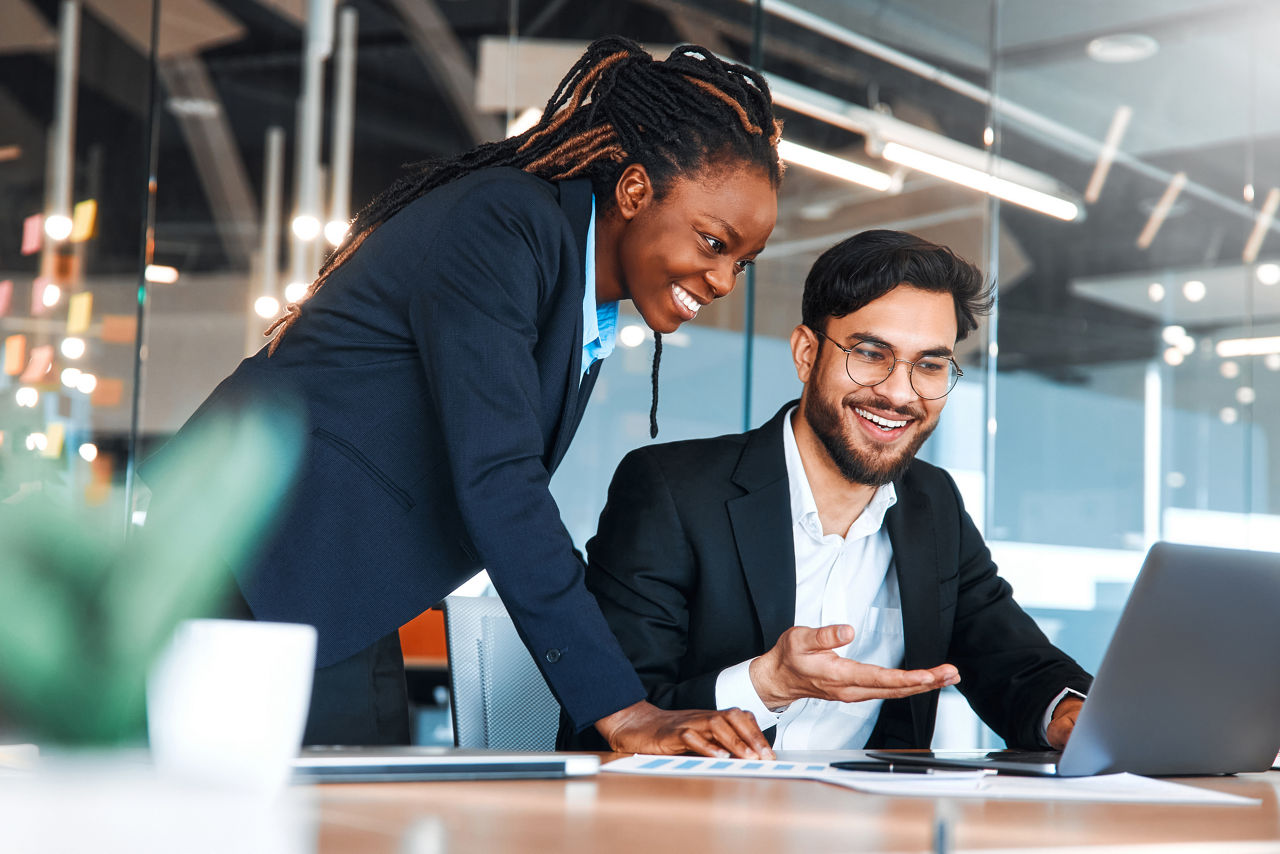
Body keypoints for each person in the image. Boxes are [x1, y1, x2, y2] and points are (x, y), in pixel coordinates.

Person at [150, 36, 782, 758]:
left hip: (333, 584)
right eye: (712, 241)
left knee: (353, 813)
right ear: (635, 192)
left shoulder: (578, 296)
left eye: (743, 261)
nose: (724, 280)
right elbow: (498, 480)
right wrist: (623, 707)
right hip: (240, 560)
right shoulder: (503, 226)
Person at [563, 230, 1092, 752]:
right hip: (698, 825)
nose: (898, 392)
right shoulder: (671, 490)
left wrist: (1069, 714)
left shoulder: (932, 504)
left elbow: (1012, 662)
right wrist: (765, 684)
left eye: (929, 365)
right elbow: (610, 717)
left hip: (870, 826)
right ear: (806, 353)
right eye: (869, 353)